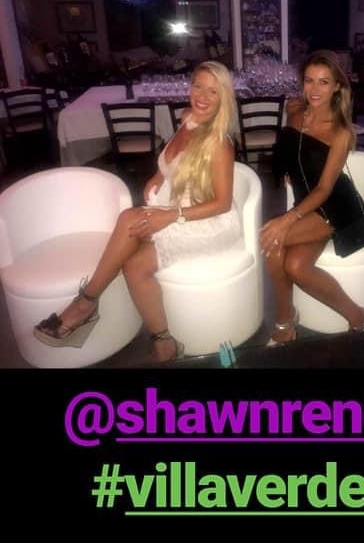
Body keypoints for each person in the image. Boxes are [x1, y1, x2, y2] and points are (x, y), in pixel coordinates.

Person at [33, 61, 241, 363]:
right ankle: (165, 343)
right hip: (178, 209)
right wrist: (159, 175)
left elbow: (222, 203)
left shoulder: (219, 142)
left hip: (208, 221)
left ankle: (85, 303)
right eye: (198, 86)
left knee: (128, 219)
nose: (202, 96)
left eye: (213, 91)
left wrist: (170, 215)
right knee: (133, 265)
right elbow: (176, 161)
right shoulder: (187, 118)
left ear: (224, 98)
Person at [260, 49, 364, 345]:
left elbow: (325, 189)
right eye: (309, 80)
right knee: (294, 266)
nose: (314, 89)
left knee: (271, 239)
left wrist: (287, 219)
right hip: (307, 205)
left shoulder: (340, 131)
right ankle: (357, 316)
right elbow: (286, 147)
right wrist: (287, 169)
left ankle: (284, 321)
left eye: (324, 82)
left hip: (336, 208)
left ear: (337, 86)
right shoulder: (295, 110)